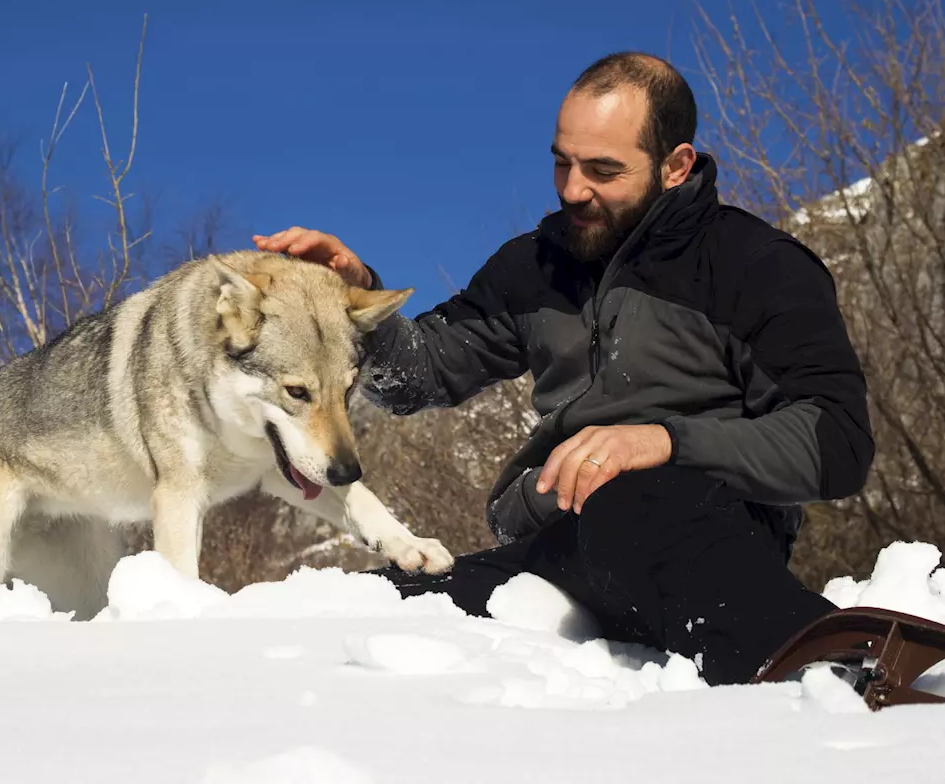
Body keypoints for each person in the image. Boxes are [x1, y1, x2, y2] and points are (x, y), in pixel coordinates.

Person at [252, 52, 875, 687]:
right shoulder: (535, 266)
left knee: (631, 504)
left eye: (603, 170)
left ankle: (843, 667)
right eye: (561, 162)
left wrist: (662, 441)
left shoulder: (757, 267)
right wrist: (358, 304)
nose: (573, 189)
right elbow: (422, 375)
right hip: (555, 544)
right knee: (381, 615)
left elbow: (837, 441)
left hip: (698, 533)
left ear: (675, 166)